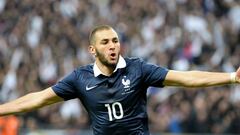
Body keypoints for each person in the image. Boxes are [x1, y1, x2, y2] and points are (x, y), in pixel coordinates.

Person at [0, 25, 239, 135]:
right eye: (105, 42)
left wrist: (230, 77)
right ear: (92, 50)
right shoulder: (79, 78)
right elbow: (37, 99)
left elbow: (187, 78)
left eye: (115, 40)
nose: (113, 46)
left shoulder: (138, 69)